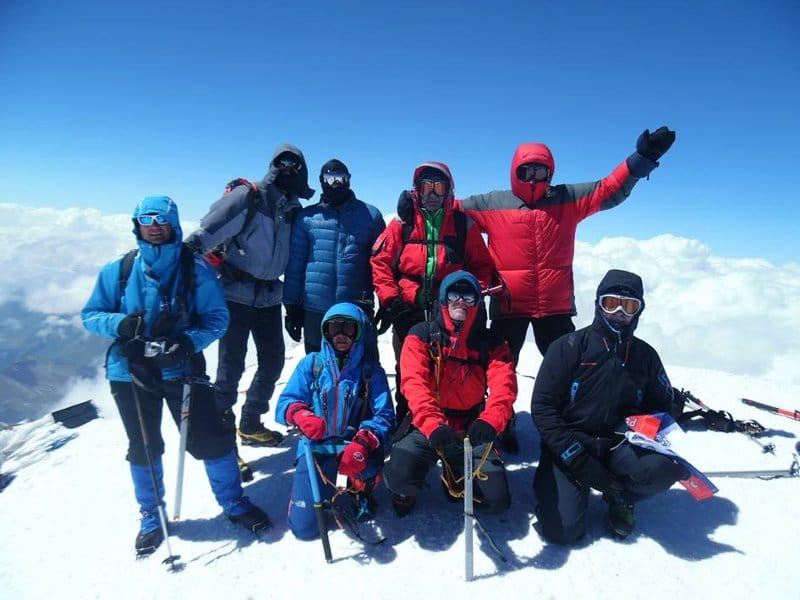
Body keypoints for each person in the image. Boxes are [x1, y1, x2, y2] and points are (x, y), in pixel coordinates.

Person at [460, 126, 676, 450]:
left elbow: (608, 190)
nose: (533, 178)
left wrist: (642, 159)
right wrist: (417, 198)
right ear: (514, 172)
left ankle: (569, 421)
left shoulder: (567, 199)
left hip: (554, 306)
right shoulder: (492, 203)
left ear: (551, 172)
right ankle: (500, 422)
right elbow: (446, 210)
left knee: (573, 368)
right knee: (501, 369)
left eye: (541, 171)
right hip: (509, 304)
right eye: (526, 171)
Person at [81, 195, 270, 556]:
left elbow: (217, 318)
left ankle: (233, 502)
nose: (153, 225)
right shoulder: (119, 270)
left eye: (160, 219)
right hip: (129, 371)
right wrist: (122, 324)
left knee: (211, 438)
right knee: (144, 445)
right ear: (137, 225)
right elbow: (91, 314)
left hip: (181, 369)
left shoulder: (194, 270)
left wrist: (187, 341)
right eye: (146, 219)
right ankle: (152, 515)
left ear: (173, 223)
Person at [531, 269, 689, 543]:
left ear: (638, 312)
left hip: (619, 444)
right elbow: (543, 408)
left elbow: (663, 407)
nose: (618, 312)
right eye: (610, 302)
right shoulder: (568, 347)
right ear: (598, 304)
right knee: (562, 532)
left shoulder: (645, 356)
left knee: (664, 469)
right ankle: (554, 496)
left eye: (628, 306)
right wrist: (577, 459)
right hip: (571, 445)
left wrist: (643, 434)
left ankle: (622, 496)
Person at [184, 144, 314, 448]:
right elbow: (206, 233)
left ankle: (250, 423)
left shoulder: (293, 209)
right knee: (230, 368)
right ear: (273, 165)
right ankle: (222, 437)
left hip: (269, 297)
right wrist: (180, 267)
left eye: (295, 165)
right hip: (235, 295)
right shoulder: (249, 197)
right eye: (283, 163)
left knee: (272, 362)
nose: (289, 169)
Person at [383, 271, 517, 517]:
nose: (461, 301)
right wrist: (433, 425)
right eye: (454, 294)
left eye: (468, 295)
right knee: (398, 475)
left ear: (478, 301)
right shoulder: (421, 336)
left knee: (495, 499)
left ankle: (455, 473)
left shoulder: (492, 344)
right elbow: (414, 385)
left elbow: (504, 387)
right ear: (443, 299)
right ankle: (408, 487)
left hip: (471, 426)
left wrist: (491, 421)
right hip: (429, 424)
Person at [370, 162, 496, 421]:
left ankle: (454, 416)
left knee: (452, 364)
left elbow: (482, 266)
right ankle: (408, 417)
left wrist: (471, 298)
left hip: (453, 311)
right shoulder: (402, 223)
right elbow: (380, 261)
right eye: (427, 187)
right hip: (408, 309)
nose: (433, 194)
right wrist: (391, 299)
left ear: (449, 191)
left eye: (439, 187)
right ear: (416, 190)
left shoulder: (462, 225)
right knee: (408, 367)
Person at [275, 303, 395, 539]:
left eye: (348, 328)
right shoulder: (312, 364)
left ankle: (361, 489)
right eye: (334, 328)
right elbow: (285, 402)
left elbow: (385, 415)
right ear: (325, 331)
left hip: (355, 447)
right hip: (317, 448)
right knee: (305, 529)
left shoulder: (370, 371)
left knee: (368, 466)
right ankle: (316, 491)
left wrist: (365, 440)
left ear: (358, 332)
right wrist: (300, 414)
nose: (340, 335)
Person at [282, 159, 386, 354]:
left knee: (363, 369)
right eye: (331, 179)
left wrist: (386, 303)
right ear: (321, 181)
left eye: (341, 178)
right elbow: (295, 264)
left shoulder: (370, 216)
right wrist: (291, 306)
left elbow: (382, 264)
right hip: (315, 310)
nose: (336, 183)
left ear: (349, 180)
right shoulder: (307, 218)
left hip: (356, 308)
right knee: (318, 369)